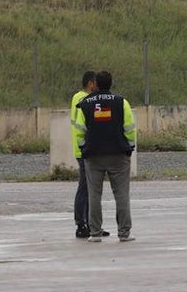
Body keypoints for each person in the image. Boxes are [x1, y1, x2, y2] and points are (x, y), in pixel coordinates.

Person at [74, 71, 136, 243]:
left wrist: (83, 149)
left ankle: (94, 233)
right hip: (118, 155)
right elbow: (130, 128)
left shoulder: (85, 104)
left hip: (93, 156)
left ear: (97, 84)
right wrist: (129, 147)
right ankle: (124, 233)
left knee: (94, 195)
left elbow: (79, 131)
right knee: (122, 194)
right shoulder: (121, 102)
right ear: (111, 83)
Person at [69, 70, 97, 239]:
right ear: (90, 83)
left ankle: (91, 223)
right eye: (95, 83)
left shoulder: (78, 97)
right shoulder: (82, 99)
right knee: (84, 188)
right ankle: (81, 223)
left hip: (84, 148)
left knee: (90, 188)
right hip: (83, 149)